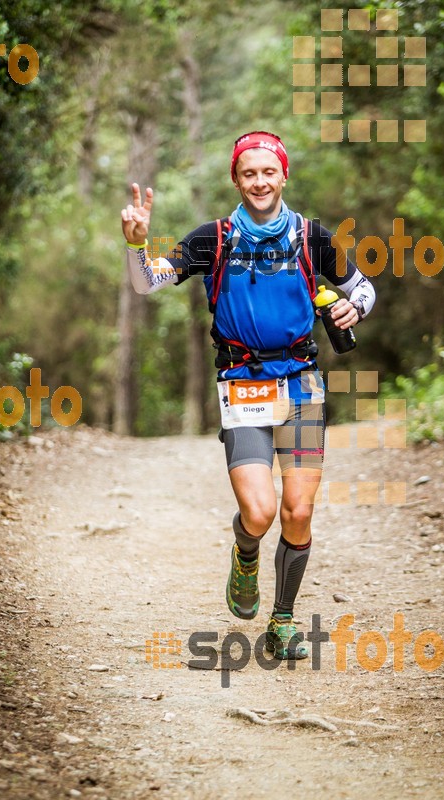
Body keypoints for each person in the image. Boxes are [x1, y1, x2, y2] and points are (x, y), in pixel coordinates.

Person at [121, 131, 375, 660]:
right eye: (248, 173)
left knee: (298, 512)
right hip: (243, 385)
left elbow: (363, 286)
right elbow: (148, 282)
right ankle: (245, 552)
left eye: (268, 172)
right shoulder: (213, 239)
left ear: (283, 175)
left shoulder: (311, 236)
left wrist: (356, 310)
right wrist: (136, 243)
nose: (259, 181)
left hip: (302, 383)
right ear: (236, 180)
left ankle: (282, 621)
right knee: (259, 514)